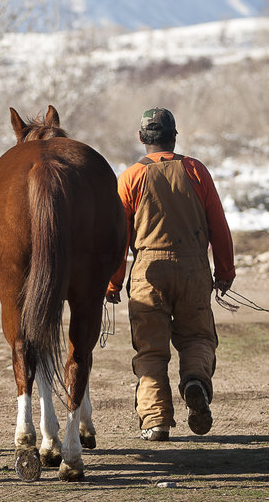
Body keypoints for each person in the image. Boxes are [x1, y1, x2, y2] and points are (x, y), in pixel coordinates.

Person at [106, 107, 235, 442]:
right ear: (174, 136)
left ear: (141, 138)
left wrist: (113, 282)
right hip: (193, 269)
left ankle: (155, 421)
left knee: (150, 350)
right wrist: (224, 271)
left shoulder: (130, 177)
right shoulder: (196, 170)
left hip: (148, 272)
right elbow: (218, 225)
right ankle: (195, 381)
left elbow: (119, 238)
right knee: (197, 338)